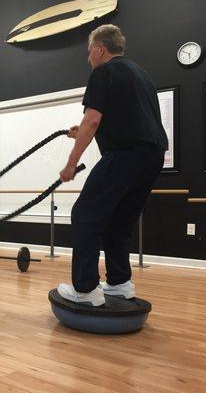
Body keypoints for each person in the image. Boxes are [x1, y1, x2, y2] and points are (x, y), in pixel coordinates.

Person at [57, 24, 168, 306]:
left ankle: (84, 289)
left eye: (89, 52)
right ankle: (119, 283)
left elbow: (92, 120)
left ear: (100, 48)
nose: (88, 58)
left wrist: (71, 164)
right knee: (119, 220)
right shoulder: (140, 74)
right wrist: (78, 132)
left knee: (85, 214)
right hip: (152, 156)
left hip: (125, 155)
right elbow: (119, 120)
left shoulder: (102, 72)